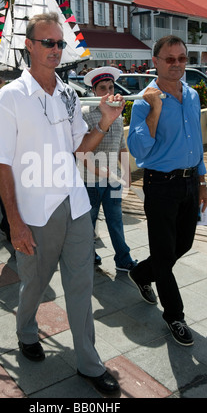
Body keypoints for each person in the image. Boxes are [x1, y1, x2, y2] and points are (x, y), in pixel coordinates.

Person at [0, 12, 123, 394]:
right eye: (48, 43)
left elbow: (81, 147)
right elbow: (1, 161)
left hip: (75, 204)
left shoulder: (68, 93)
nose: (56, 50)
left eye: (60, 43)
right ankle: (26, 330)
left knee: (81, 284)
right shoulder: (11, 96)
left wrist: (105, 121)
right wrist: (15, 222)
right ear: (29, 46)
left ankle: (89, 364)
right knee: (35, 283)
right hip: (34, 210)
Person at [127, 35, 207, 346]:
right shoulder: (144, 101)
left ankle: (140, 273)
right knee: (164, 254)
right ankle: (174, 315)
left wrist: (201, 184)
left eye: (182, 58)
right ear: (156, 63)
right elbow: (138, 148)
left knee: (183, 244)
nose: (177, 64)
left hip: (190, 182)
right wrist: (155, 111)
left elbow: (196, 145)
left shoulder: (191, 96)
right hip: (160, 184)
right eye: (170, 59)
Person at [82, 67, 137, 271]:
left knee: (116, 220)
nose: (108, 92)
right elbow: (81, 152)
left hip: (113, 180)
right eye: (102, 88)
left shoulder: (118, 114)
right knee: (88, 222)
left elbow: (122, 146)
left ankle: (123, 259)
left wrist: (127, 172)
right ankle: (88, 256)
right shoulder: (85, 115)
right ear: (94, 91)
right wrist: (100, 172)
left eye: (111, 87)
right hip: (90, 181)